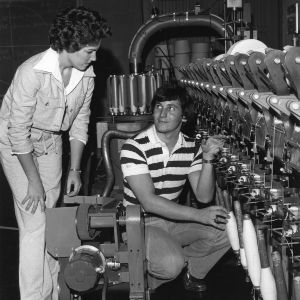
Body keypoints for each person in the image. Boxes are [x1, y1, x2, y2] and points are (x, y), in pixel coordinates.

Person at [0, 6, 110, 300]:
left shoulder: (86, 76)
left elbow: (79, 124)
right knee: (34, 221)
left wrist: (75, 169)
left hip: (50, 143)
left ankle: (53, 290)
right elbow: (17, 134)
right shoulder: (30, 73)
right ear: (70, 45)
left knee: (47, 215)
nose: (95, 57)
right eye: (89, 50)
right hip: (15, 145)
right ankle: (34, 296)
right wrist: (33, 181)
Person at [120, 83, 230, 295]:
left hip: (173, 220)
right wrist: (198, 215)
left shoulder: (191, 148)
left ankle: (192, 271)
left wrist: (207, 159)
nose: (162, 113)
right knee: (170, 264)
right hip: (141, 224)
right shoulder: (134, 147)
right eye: (159, 106)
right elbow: (149, 201)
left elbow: (204, 196)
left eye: (171, 108)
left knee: (229, 230)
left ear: (184, 117)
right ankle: (152, 277)